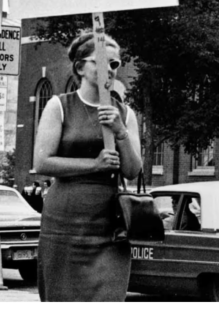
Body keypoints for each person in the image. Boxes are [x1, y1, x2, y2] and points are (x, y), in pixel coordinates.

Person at [33, 31, 142, 303]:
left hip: (109, 226)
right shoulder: (59, 106)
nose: (111, 70)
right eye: (103, 62)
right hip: (64, 222)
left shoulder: (125, 114)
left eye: (116, 64)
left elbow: (132, 170)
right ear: (81, 67)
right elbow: (43, 162)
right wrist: (94, 165)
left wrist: (120, 132)